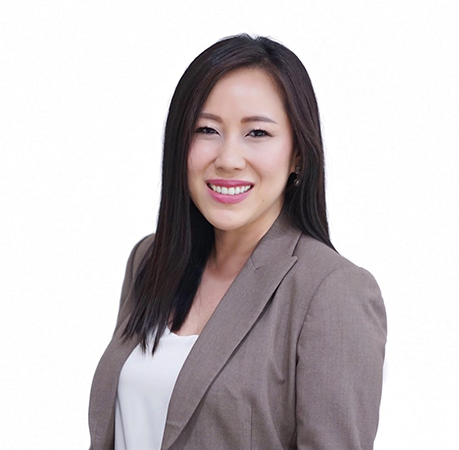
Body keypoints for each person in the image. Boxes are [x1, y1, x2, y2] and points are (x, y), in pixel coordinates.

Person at [88, 34, 387, 450]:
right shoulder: (151, 259)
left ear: (298, 154)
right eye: (206, 129)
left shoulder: (331, 290)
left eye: (257, 133)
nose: (228, 159)